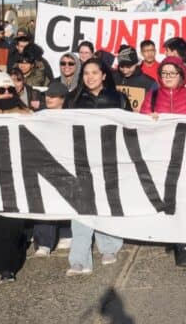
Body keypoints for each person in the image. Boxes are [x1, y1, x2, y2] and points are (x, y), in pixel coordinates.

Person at [140, 56, 186, 268]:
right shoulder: (152, 95)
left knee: (183, 198)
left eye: (172, 73)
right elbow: (141, 121)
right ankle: (168, 234)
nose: (168, 77)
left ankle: (182, 245)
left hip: (185, 154)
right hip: (160, 155)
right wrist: (149, 118)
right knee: (164, 197)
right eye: (164, 73)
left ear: (181, 75)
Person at [65, 59, 129, 276]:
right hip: (81, 159)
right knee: (81, 206)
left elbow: (130, 127)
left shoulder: (118, 98)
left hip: (109, 158)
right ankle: (79, 258)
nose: (89, 77)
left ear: (104, 75)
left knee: (105, 203)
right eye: (85, 73)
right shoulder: (72, 99)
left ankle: (109, 246)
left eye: (94, 72)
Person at [0, 72, 31, 282]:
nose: (6, 94)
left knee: (12, 221)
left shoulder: (26, 113)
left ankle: (7, 266)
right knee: (0, 221)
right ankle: (5, 257)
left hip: (19, 173)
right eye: (1, 90)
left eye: (10, 89)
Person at [32, 81, 72, 257]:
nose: (49, 98)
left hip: (65, 162)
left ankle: (65, 232)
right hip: (43, 162)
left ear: (63, 99)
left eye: (54, 96)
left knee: (66, 198)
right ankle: (43, 242)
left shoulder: (73, 116)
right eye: (48, 95)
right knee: (44, 201)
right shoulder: (38, 115)